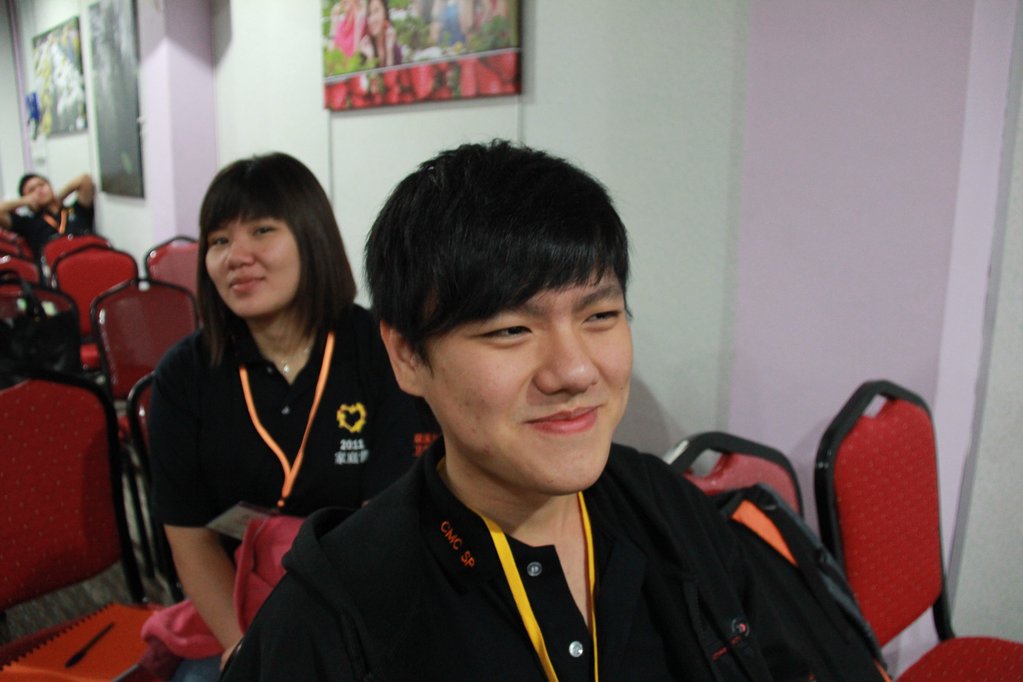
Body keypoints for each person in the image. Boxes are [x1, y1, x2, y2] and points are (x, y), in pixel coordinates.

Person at [222, 140, 870, 681]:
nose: (575, 371)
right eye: (510, 330)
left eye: (600, 316)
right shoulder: (337, 618)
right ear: (407, 355)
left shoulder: (662, 503)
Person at [148, 152, 429, 680]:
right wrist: (244, 648)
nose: (237, 256)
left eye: (262, 230)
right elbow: (189, 537)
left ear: (311, 237)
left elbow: (382, 527)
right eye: (219, 241)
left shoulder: (380, 352)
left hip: (357, 598)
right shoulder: (183, 375)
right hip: (234, 600)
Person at [0, 172, 95, 258]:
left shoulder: (75, 210)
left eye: (42, 185)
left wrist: (59, 197)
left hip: (88, 258)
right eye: (32, 190)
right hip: (55, 266)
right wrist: (24, 201)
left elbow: (84, 180)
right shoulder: (28, 223)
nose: (39, 190)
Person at [359, 0, 402, 67]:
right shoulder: (364, 50)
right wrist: (370, 58)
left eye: (376, 11)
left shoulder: (395, 50)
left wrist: (389, 51)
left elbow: (392, 74)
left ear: (385, 13)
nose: (372, 19)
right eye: (369, 14)